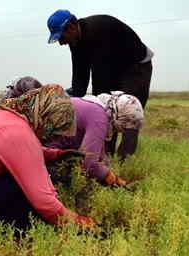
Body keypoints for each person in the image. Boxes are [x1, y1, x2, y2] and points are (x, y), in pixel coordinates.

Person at [0, 84, 95, 229]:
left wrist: (58, 155)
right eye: (54, 128)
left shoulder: (8, 116)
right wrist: (78, 222)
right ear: (46, 117)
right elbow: (44, 202)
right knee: (33, 209)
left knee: (36, 183)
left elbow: (22, 154)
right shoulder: (18, 133)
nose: (53, 137)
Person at [47, 9, 153, 158]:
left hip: (135, 67)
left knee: (127, 112)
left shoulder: (98, 31)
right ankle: (104, 159)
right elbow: (80, 77)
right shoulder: (75, 41)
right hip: (115, 68)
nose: (61, 43)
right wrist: (69, 102)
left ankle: (124, 163)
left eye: (61, 37)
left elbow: (101, 81)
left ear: (71, 27)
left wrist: (93, 110)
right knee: (105, 114)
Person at [49, 91, 144, 187]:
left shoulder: (95, 107)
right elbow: (89, 163)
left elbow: (98, 154)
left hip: (44, 148)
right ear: (120, 116)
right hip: (44, 153)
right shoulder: (99, 119)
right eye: (123, 126)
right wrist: (111, 178)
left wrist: (109, 173)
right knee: (68, 184)